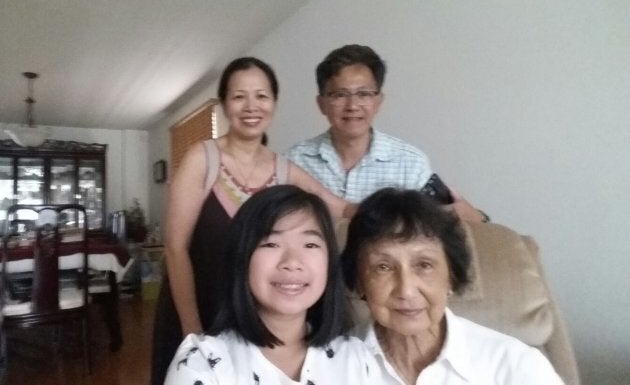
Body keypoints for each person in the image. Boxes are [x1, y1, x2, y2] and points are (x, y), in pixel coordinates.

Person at [151, 57, 352, 385]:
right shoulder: (201, 159)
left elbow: (341, 208)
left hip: (251, 313)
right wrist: (193, 334)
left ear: (273, 102)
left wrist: (422, 207)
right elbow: (175, 248)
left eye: (261, 96)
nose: (251, 106)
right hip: (197, 302)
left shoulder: (285, 169)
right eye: (239, 96)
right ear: (224, 104)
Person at [341, 187, 564, 384]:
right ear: (360, 282)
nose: (406, 290)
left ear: (451, 276)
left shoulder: (514, 366)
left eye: (424, 265)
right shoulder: (329, 367)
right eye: (383, 267)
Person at [164, 185, 379, 384]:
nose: (292, 262)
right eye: (271, 243)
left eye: (310, 244)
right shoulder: (201, 363)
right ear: (242, 258)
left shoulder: (357, 359)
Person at [286, 44, 488, 222]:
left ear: (379, 101)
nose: (353, 106)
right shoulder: (295, 160)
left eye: (364, 94)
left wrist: (476, 217)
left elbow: (446, 225)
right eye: (340, 95)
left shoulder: (410, 163)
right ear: (321, 104)